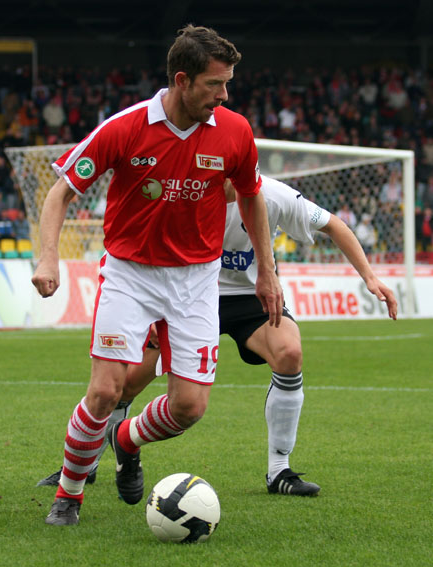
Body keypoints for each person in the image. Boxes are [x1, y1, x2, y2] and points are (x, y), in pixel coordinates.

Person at [31, 25, 283, 526]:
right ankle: (69, 493)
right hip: (131, 275)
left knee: (189, 407)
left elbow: (251, 197)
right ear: (182, 80)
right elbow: (60, 191)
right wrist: (48, 257)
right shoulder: (125, 127)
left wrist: (267, 271)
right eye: (215, 84)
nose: (224, 95)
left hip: (197, 280)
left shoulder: (235, 131)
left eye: (228, 83)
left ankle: (125, 441)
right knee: (106, 391)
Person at [38, 175, 397, 497]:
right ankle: (87, 464)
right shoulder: (185, 194)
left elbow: (333, 225)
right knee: (124, 384)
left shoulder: (273, 196)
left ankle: (279, 471)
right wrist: (151, 313)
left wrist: (369, 276)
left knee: (290, 353)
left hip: (249, 298)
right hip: (186, 294)